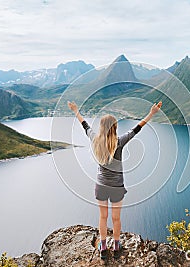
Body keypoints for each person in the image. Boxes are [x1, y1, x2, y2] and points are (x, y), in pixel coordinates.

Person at [67, 100, 162, 260]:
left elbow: (85, 126)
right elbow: (137, 128)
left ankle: (103, 247)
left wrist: (75, 111)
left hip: (101, 186)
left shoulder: (95, 140)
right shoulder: (119, 142)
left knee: (102, 217)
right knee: (116, 218)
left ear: (101, 128)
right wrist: (151, 113)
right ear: (115, 128)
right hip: (117, 186)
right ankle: (117, 245)